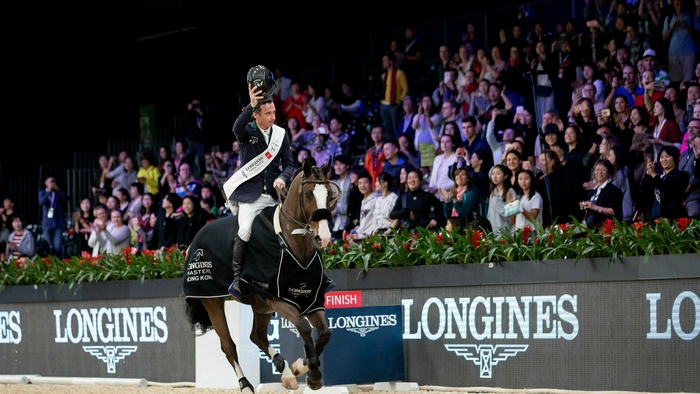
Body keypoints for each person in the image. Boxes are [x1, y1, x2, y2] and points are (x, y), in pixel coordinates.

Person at [223, 68, 295, 298]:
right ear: (256, 115)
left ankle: (311, 275)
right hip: (251, 197)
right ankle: (237, 280)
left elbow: (290, 165)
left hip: (274, 197)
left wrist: (283, 178)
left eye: (274, 112)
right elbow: (235, 128)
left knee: (298, 227)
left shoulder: (281, 135)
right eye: (268, 113)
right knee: (245, 229)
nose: (274, 116)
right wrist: (249, 105)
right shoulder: (247, 132)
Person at [389, 169, 446, 234]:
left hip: (425, 232)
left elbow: (443, 208)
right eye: (409, 178)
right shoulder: (403, 197)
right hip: (408, 234)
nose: (412, 180)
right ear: (407, 181)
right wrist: (406, 212)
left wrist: (436, 220)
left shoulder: (428, 196)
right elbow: (392, 214)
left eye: (415, 177)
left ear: (421, 181)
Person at [643, 145, 690, 220]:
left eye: (667, 156)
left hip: (671, 218)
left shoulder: (682, 175)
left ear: (674, 158)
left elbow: (669, 192)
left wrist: (654, 175)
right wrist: (648, 175)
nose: (664, 159)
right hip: (653, 218)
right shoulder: (658, 176)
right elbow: (643, 193)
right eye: (661, 157)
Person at [580, 159, 624, 230]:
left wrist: (595, 207)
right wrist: (585, 206)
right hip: (591, 228)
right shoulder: (594, 190)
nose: (599, 172)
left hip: (605, 230)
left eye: (603, 169)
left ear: (609, 172)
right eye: (597, 169)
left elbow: (615, 211)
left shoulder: (614, 190)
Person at [380, 51, 409, 141]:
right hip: (384, 104)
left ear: (391, 61)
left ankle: (398, 144)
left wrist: (400, 100)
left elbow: (405, 88)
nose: (383, 62)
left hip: (395, 104)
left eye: (385, 60)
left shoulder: (399, 73)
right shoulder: (383, 75)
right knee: (387, 127)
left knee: (396, 126)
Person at [38, 176, 68, 259]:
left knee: (57, 246)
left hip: (58, 222)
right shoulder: (42, 192)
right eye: (50, 181)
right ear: (46, 183)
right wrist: (48, 191)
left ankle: (57, 265)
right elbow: (41, 202)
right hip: (47, 223)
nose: (52, 183)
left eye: (54, 181)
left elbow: (66, 198)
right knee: (48, 245)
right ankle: (48, 263)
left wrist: (57, 189)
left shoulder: (58, 192)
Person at [182, 98, 209, 177]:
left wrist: (201, 113)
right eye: (194, 104)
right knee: (188, 159)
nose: (196, 106)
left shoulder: (203, 114)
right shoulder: (190, 114)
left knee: (201, 160)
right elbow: (184, 124)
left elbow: (207, 126)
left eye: (197, 104)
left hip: (201, 141)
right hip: (191, 140)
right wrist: (189, 110)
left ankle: (203, 177)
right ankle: (185, 174)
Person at [487, 164, 517, 235]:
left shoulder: (510, 191)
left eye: (498, 174)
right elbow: (489, 215)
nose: (494, 176)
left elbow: (510, 215)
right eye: (493, 174)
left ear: (505, 176)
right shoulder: (492, 193)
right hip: (494, 232)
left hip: (506, 232)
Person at [679, 118, 700, 218]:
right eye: (689, 127)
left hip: (695, 196)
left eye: (695, 128)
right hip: (683, 196)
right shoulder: (684, 153)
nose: (690, 130)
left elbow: (697, 177)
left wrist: (683, 193)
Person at [349, 172, 379, 240]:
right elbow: (366, 223)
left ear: (371, 184)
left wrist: (361, 236)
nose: (362, 185)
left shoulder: (375, 200)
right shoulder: (363, 201)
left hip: (370, 239)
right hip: (363, 238)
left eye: (365, 182)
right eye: (360, 183)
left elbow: (376, 224)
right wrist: (358, 230)